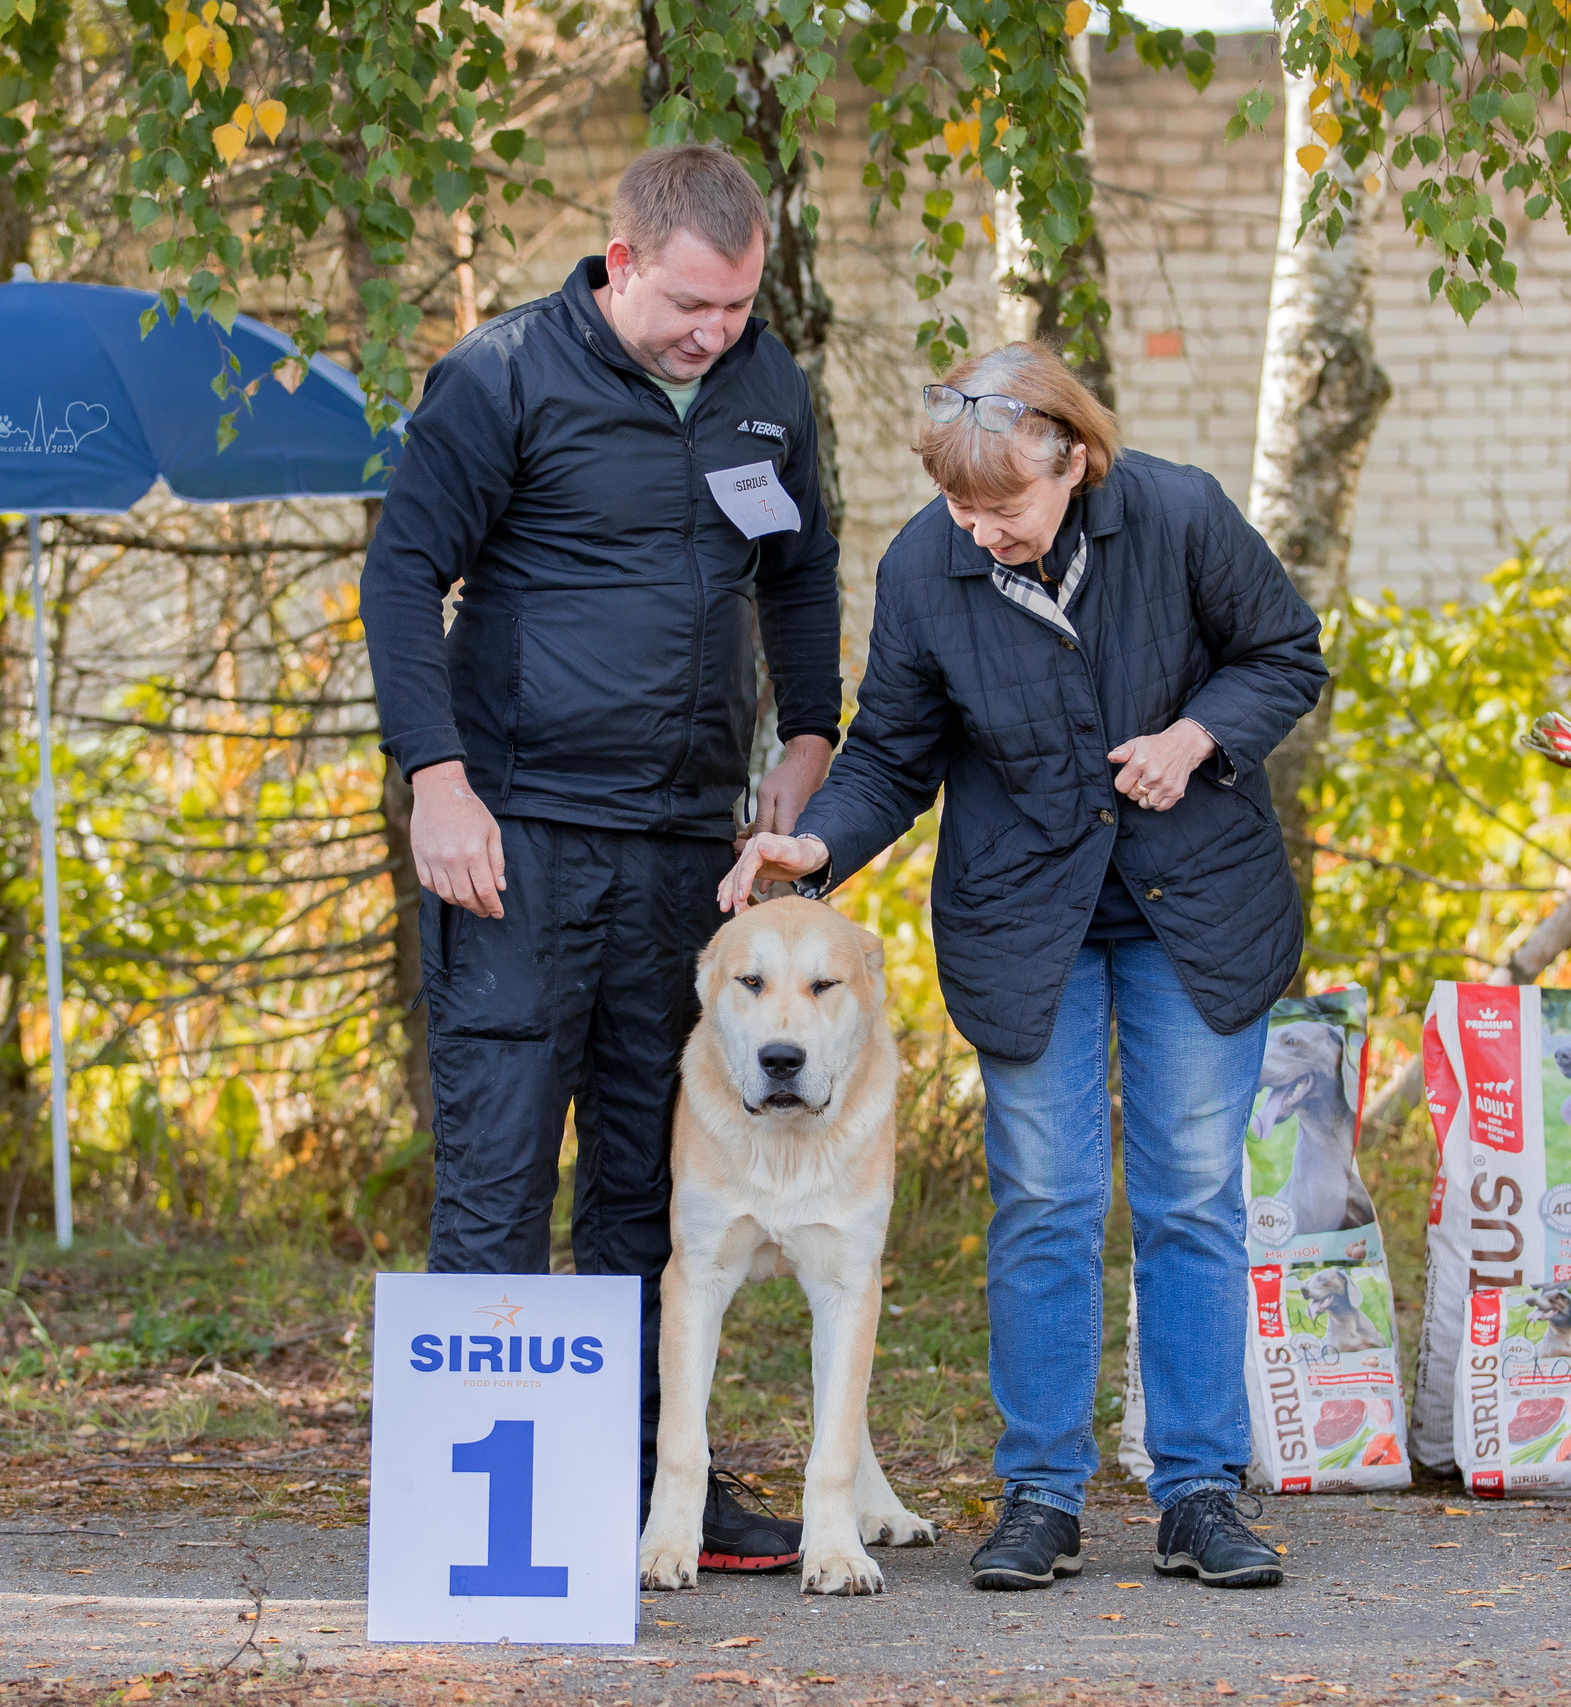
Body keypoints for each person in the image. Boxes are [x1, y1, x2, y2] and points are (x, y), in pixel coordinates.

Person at [721, 342, 1328, 1589]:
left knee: (1192, 1200)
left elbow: (1285, 655)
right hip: (1024, 926)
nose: (980, 530)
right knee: (1047, 1204)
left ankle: (1199, 1492)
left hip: (1195, 913)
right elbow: (892, 752)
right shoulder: (923, 569)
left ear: (1076, 461)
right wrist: (815, 842)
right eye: (959, 506)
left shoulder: (1178, 514)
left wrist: (1198, 735)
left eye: (1005, 508)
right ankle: (1040, 1494)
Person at [359, 144, 844, 1566]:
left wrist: (804, 748)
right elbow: (402, 572)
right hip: (517, 838)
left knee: (654, 1181)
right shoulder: (503, 375)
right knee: (501, 1174)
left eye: (739, 307)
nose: (716, 334)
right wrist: (435, 780)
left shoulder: (767, 388)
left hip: (690, 852)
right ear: (622, 263)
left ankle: (653, 1486)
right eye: (693, 304)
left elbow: (802, 569)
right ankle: (479, 1507)